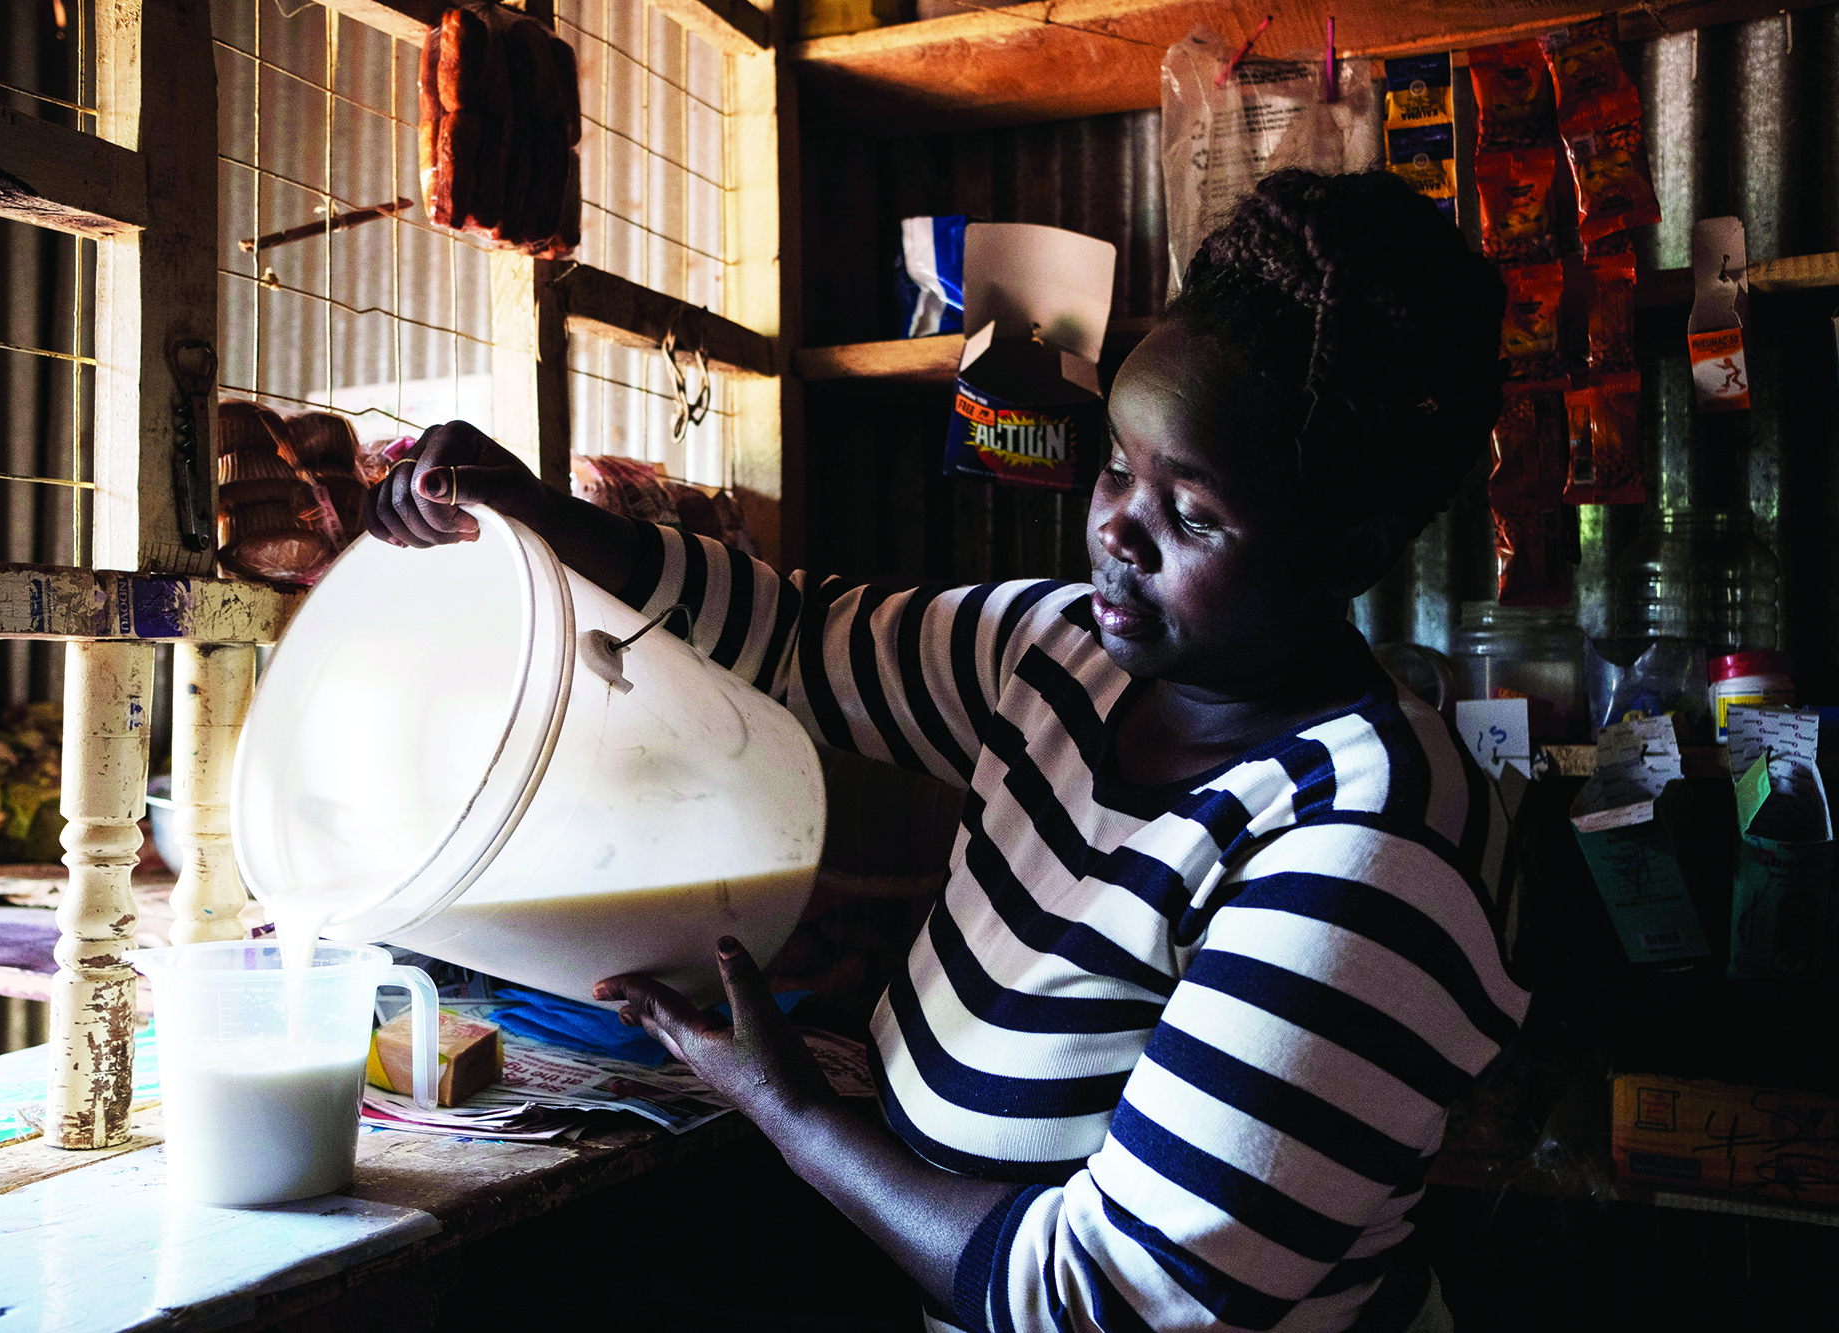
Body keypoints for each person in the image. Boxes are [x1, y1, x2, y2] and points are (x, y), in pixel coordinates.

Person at [367, 170, 1524, 1333]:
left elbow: (1100, 1300)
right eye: (1117, 466)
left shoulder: (1367, 847)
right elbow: (797, 637)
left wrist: (794, 1111)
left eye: (1193, 516)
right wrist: (539, 517)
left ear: (1349, 552)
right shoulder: (1066, 656)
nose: (1117, 528)